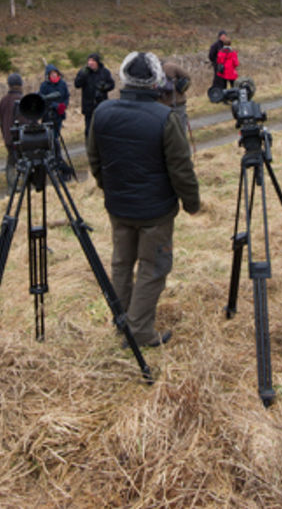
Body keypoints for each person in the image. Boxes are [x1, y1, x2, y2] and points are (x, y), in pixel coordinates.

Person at [87, 51, 201, 349]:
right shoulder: (165, 118)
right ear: (156, 81)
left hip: (119, 206)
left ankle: (123, 323)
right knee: (153, 268)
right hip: (155, 211)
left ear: (123, 78)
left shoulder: (102, 113)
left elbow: (94, 159)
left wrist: (107, 187)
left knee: (122, 264)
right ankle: (137, 332)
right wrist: (192, 203)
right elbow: (181, 168)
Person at [73, 53, 116, 140]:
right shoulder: (84, 72)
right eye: (89, 60)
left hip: (102, 104)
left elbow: (111, 84)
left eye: (93, 61)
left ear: (97, 62)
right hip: (88, 106)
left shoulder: (105, 72)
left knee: (102, 127)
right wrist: (82, 75)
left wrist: (104, 87)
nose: (90, 63)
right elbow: (77, 85)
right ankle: (89, 147)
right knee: (89, 130)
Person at [0, 72, 24, 191]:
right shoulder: (21, 100)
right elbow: (25, 120)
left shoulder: (3, 101)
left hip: (8, 136)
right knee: (23, 160)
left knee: (11, 161)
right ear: (20, 85)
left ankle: (11, 186)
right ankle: (25, 184)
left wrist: (5, 135)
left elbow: (1, 122)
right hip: (20, 136)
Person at [159, 60, 193, 148]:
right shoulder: (172, 66)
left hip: (160, 107)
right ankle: (183, 154)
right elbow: (188, 77)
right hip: (178, 104)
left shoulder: (150, 70)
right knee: (181, 132)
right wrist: (181, 88)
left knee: (164, 134)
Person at [39, 64, 70, 137]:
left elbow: (66, 96)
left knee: (56, 135)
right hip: (48, 114)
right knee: (48, 135)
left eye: (54, 73)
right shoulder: (44, 85)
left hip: (59, 114)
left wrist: (64, 105)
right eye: (51, 73)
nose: (53, 75)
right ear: (48, 75)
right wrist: (56, 106)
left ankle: (56, 146)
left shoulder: (62, 83)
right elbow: (43, 98)